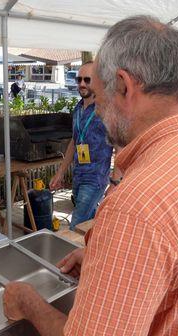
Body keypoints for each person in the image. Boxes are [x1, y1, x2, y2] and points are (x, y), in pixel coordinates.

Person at [3, 15, 178, 335]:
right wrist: (117, 260)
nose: (98, 113)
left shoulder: (136, 205)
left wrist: (27, 302)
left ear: (124, 86)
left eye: (99, 98)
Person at [49, 61, 115, 230]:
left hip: (95, 179)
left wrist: (115, 183)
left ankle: (73, 254)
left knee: (75, 226)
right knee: (89, 225)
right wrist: (60, 173)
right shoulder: (78, 109)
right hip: (78, 176)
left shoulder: (106, 110)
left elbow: (120, 146)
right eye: (79, 80)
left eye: (87, 79)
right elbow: (75, 141)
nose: (82, 84)